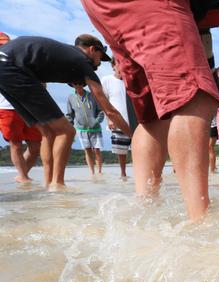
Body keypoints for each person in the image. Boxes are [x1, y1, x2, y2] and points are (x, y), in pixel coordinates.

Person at [80, 0, 219, 220]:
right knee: (193, 97)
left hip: (102, 9)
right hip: (153, 5)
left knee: (152, 118)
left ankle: (144, 211)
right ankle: (201, 220)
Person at [0, 35, 131, 190]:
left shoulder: (66, 54)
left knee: (48, 132)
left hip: (7, 66)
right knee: (66, 131)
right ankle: (58, 184)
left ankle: (49, 183)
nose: (99, 63)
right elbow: (109, 110)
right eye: (100, 57)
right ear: (92, 49)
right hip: (13, 66)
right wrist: (133, 136)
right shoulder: (82, 62)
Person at [0, 32, 42, 184]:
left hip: (29, 107)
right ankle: (24, 177)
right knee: (15, 143)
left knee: (36, 145)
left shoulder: (21, 60)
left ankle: (22, 175)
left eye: (5, 43)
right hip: (6, 108)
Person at [101, 58, 135, 179]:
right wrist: (109, 119)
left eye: (123, 64)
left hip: (134, 121)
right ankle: (123, 173)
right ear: (113, 66)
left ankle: (139, 172)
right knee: (121, 151)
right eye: (118, 64)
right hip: (117, 121)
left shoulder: (130, 81)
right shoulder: (107, 80)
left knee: (137, 148)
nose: (121, 68)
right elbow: (104, 102)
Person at [66, 83, 105, 176]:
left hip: (95, 128)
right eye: (75, 83)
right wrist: (69, 127)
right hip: (81, 129)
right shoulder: (70, 97)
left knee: (97, 150)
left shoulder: (93, 95)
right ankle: (92, 173)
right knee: (87, 150)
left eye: (79, 83)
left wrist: (96, 122)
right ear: (72, 85)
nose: (78, 85)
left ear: (83, 84)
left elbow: (101, 111)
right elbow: (69, 115)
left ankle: (99, 172)